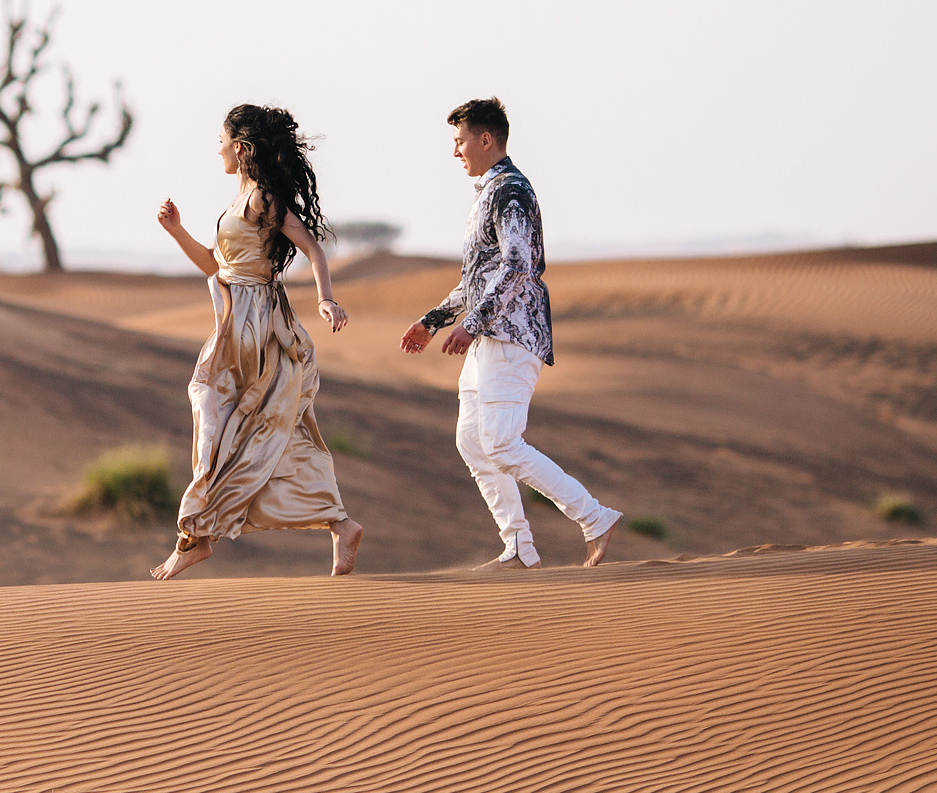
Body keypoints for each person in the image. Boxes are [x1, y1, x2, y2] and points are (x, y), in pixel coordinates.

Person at [399, 97, 623, 568]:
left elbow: (520, 265)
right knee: (472, 441)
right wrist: (432, 321)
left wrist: (472, 323)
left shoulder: (510, 191)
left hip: (511, 335)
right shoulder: (488, 192)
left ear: (485, 139)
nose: (454, 152)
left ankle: (595, 517)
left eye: (459, 141)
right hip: (487, 339)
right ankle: (519, 547)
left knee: (501, 441)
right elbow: (477, 278)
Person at [151, 104, 367, 579]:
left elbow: (311, 247)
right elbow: (215, 266)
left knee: (230, 421)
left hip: (256, 330)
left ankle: (195, 535)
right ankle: (339, 523)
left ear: (241, 148)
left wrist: (326, 299)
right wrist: (176, 231)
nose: (219, 150)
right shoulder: (237, 202)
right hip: (233, 324)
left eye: (222, 141)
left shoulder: (263, 200)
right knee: (256, 431)